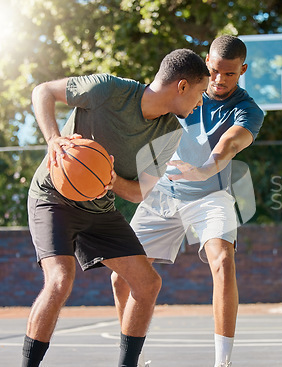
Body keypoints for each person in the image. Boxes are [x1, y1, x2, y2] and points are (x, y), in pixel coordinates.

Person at [24, 49, 210, 367]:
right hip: (53, 197)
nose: (201, 102)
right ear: (182, 86)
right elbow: (43, 91)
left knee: (147, 283)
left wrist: (111, 181)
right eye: (201, 92)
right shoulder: (109, 89)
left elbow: (139, 192)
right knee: (59, 280)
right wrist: (54, 139)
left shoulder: (170, 133)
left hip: (98, 208)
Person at [111, 35, 264, 367]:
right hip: (165, 191)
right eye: (216, 71)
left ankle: (222, 362)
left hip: (211, 194)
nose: (221, 80)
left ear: (243, 70)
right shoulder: (185, 88)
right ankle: (129, 360)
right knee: (122, 276)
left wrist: (205, 168)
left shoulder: (248, 110)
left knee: (223, 262)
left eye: (231, 74)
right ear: (206, 61)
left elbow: (230, 145)